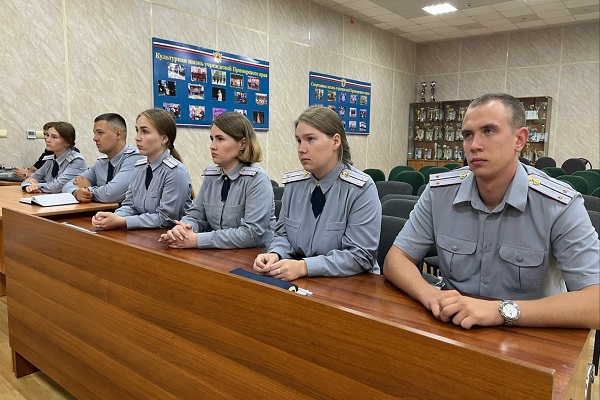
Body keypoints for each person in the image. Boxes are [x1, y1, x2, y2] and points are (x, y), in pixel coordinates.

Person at [384, 93, 599, 330]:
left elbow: (595, 303)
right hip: (455, 327)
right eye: (468, 135)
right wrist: (430, 295)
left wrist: (500, 311)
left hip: (531, 334)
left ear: (519, 140)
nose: (474, 145)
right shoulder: (439, 193)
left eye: (488, 131)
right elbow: (396, 259)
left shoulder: (559, 204)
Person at [253, 106, 381, 280]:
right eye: (299, 141)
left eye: (310, 139)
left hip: (351, 283)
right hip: (303, 280)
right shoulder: (294, 185)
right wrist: (275, 254)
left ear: (335, 142)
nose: (301, 149)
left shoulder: (360, 189)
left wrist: (305, 267)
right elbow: (283, 235)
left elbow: (360, 256)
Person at [159, 112, 275, 249]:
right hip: (219, 253)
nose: (212, 146)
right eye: (212, 139)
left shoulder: (257, 179)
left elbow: (250, 234)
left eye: (220, 139)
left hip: (255, 255)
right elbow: (195, 216)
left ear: (242, 144)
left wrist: (197, 240)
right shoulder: (212, 177)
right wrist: (181, 231)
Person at [92, 108, 192, 230]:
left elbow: (166, 218)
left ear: (164, 138)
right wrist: (113, 217)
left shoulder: (175, 172)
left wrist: (123, 221)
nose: (137, 137)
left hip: (167, 236)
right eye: (137, 130)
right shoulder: (140, 167)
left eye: (145, 131)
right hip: (142, 234)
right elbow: (130, 205)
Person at [62, 113, 142, 203]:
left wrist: (86, 189)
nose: (95, 138)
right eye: (94, 133)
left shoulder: (134, 159)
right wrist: (76, 192)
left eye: (100, 133)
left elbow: (110, 194)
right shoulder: (101, 163)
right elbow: (67, 185)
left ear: (118, 134)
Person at [21, 122, 86, 193]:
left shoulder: (77, 161)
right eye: (47, 135)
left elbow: (56, 187)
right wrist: (28, 186)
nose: (47, 140)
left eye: (54, 137)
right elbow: (30, 179)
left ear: (67, 142)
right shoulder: (50, 159)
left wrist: (36, 185)